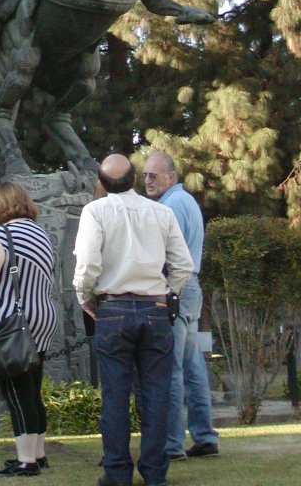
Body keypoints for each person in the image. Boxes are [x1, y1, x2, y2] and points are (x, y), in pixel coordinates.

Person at [73, 154, 193, 486]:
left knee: (115, 396)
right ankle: (155, 473)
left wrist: (85, 296)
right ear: (135, 179)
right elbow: (183, 265)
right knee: (156, 395)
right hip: (154, 308)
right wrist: (169, 294)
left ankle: (117, 473)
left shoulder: (95, 211)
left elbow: (87, 264)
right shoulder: (162, 212)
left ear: (101, 183)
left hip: (112, 308)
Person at [0, 181, 57, 477]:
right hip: (41, 317)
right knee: (33, 389)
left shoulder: (2, 234)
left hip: (12, 321)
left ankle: (26, 461)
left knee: (17, 393)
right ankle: (38, 454)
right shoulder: (40, 234)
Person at [143, 152, 219, 460]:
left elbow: (162, 255)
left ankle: (172, 444)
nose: (147, 180)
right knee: (193, 365)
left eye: (154, 175)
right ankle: (205, 437)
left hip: (175, 287)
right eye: (145, 175)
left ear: (171, 177)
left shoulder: (169, 206)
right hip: (191, 286)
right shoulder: (186, 201)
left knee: (170, 368)